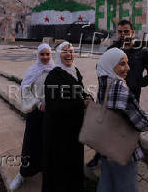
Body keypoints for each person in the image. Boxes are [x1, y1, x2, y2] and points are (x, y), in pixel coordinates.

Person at [88, 19, 148, 167]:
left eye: (126, 31)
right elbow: (101, 68)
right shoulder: (112, 50)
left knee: (129, 127)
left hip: (130, 98)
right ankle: (100, 156)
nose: (123, 34)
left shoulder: (142, 51)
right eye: (120, 31)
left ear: (132, 32)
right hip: (110, 97)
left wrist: (138, 84)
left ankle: (129, 156)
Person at [95, 47, 148, 192]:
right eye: (122, 64)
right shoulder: (119, 85)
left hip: (105, 143)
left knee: (106, 182)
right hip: (122, 147)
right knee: (127, 185)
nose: (128, 68)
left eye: (127, 63)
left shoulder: (104, 79)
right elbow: (138, 119)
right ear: (110, 64)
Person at [42, 41, 91, 192]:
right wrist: (81, 103)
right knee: (60, 165)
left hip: (74, 128)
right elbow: (55, 105)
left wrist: (88, 98)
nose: (69, 54)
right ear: (58, 55)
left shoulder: (75, 71)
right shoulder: (53, 76)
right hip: (59, 132)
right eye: (64, 51)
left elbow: (79, 91)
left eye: (71, 51)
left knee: (74, 162)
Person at [9, 43, 54, 190]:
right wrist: (37, 104)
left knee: (47, 143)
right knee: (30, 143)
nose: (45, 57)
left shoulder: (55, 70)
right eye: (42, 54)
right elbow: (25, 90)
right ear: (38, 55)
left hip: (50, 114)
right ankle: (23, 173)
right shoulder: (33, 71)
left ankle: (43, 169)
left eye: (48, 54)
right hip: (36, 113)